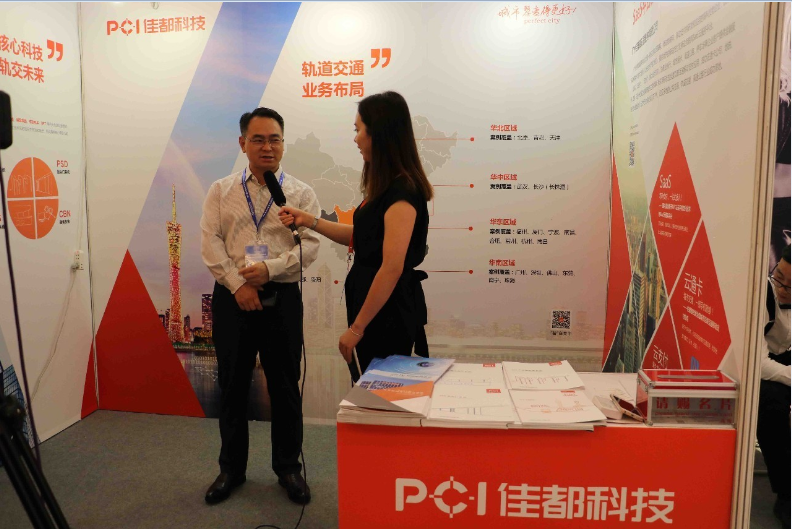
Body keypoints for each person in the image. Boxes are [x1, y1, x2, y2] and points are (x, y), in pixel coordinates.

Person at [200, 107, 320, 506]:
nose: (267, 147)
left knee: (285, 385)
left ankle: (288, 468)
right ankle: (231, 469)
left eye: (274, 139)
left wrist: (270, 269)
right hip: (233, 297)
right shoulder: (221, 190)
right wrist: (239, 286)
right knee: (232, 385)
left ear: (283, 144)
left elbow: (310, 246)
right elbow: (210, 242)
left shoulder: (300, 193)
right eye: (258, 139)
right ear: (242, 144)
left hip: (281, 297)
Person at [279, 91, 432, 381]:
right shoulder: (386, 187)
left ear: (379, 133)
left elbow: (391, 267)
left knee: (385, 395)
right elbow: (363, 237)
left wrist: (357, 329)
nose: (355, 139)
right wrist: (309, 220)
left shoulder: (402, 192)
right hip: (375, 310)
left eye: (358, 129)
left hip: (387, 316)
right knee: (374, 393)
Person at [757, 244, 790, 529]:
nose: (782, 289)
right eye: (779, 276)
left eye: (790, 286)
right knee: (771, 404)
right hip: (764, 364)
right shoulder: (762, 294)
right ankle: (785, 494)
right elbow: (758, 363)